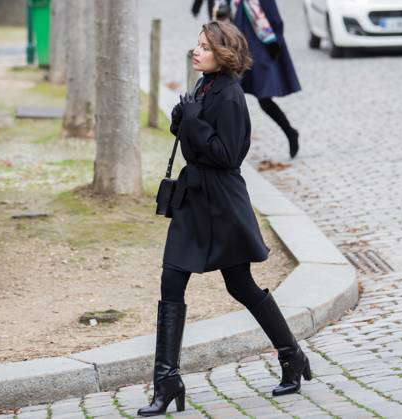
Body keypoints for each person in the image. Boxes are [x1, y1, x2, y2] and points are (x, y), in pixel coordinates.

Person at [137, 21, 311, 417]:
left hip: (223, 204)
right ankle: (166, 381)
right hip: (194, 200)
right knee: (171, 279)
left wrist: (192, 120)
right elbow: (191, 135)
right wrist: (182, 116)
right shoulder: (204, 85)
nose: (195, 52)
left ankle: (291, 354)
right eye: (196, 45)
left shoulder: (232, 96)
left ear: (224, 53)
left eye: (204, 47)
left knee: (240, 285)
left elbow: (228, 156)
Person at [233, 0, 302, 158]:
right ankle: (231, 147)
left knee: (263, 98)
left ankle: (290, 133)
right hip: (239, 43)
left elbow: (274, 19)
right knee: (231, 94)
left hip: (261, 44)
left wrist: (273, 42)